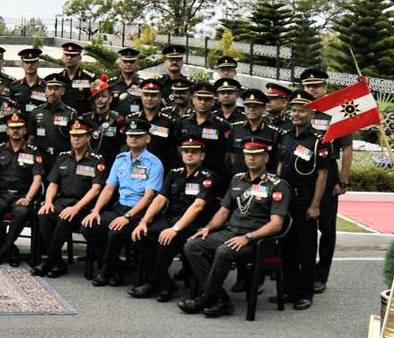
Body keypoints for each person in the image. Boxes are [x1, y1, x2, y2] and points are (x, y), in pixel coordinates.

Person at [180, 140, 291, 318]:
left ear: (266, 157)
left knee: (224, 252)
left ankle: (205, 298)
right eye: (248, 155)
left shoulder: (277, 185)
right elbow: (224, 211)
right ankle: (221, 299)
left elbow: (276, 224)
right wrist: (208, 228)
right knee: (192, 246)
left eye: (256, 155)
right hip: (231, 232)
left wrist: (248, 237)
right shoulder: (237, 179)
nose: (251, 158)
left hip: (257, 240)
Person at [127, 137, 219, 301]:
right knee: (140, 234)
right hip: (170, 218)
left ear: (202, 156)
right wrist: (144, 221)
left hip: (192, 224)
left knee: (166, 239)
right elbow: (160, 199)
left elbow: (197, 207)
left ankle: (155, 284)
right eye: (186, 151)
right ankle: (165, 283)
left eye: (194, 152)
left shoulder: (207, 178)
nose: (189, 155)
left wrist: (175, 228)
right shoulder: (174, 173)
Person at [84, 117, 164, 286]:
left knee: (115, 233)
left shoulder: (154, 163)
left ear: (147, 138)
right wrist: (96, 210)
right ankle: (118, 267)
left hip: (140, 211)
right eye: (130, 135)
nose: (133, 139)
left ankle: (107, 270)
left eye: (138, 135)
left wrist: (127, 216)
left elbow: (149, 197)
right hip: (119, 207)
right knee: (89, 227)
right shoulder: (120, 159)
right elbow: (109, 188)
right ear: (126, 138)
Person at [275, 90, 331, 310]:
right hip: (285, 199)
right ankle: (289, 290)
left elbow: (322, 175)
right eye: (294, 110)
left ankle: (304, 293)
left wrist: (315, 205)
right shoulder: (285, 135)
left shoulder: (319, 141)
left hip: (305, 199)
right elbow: (280, 165)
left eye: (301, 110)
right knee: (285, 247)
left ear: (311, 112)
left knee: (305, 249)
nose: (296, 114)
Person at [299, 67, 352, 294]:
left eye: (317, 86)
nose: (312, 89)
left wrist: (343, 181)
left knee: (327, 228)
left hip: (328, 172)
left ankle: (321, 275)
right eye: (308, 86)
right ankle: (303, 271)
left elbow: (348, 149)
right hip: (303, 172)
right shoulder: (297, 110)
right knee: (303, 225)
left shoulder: (336, 114)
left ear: (325, 88)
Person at [32, 119, 105, 278]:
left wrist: (77, 208)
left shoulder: (96, 160)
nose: (76, 139)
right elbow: (53, 183)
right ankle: (58, 262)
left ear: (88, 137)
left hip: (83, 207)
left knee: (65, 218)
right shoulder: (63, 157)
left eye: (80, 135)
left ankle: (49, 262)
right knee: (43, 215)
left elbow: (96, 189)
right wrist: (48, 202)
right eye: (73, 135)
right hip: (62, 201)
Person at [0, 111, 46, 267]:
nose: (15, 131)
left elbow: (37, 179)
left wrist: (28, 198)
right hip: (2, 195)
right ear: (7, 130)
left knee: (21, 212)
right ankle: (10, 249)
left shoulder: (32, 151)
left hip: (22, 195)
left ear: (24, 130)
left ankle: (2, 251)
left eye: (19, 127)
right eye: (12, 128)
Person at [175, 82, 234, 187]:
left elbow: (227, 155)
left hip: (213, 174)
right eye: (199, 99)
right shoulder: (182, 122)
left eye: (207, 99)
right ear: (193, 100)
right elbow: (178, 147)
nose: (203, 102)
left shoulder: (222, 125)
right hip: (187, 172)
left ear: (212, 102)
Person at [27, 76, 77, 171]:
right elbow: (31, 138)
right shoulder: (35, 112)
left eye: (56, 89)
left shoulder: (70, 114)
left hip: (62, 158)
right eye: (50, 88)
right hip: (40, 157)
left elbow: (75, 139)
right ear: (45, 91)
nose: (52, 92)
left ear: (62, 91)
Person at [129, 79, 179, 170]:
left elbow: (173, 152)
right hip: (134, 171)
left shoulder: (169, 122)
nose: (149, 99)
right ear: (141, 96)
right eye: (146, 95)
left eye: (154, 95)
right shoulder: (131, 120)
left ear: (160, 98)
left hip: (160, 171)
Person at [56, 42, 95, 115]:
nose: (69, 58)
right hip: (61, 120)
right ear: (62, 57)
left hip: (81, 122)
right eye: (66, 55)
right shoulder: (57, 79)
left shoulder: (89, 79)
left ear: (80, 58)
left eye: (73, 55)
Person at [108, 47, 144, 117]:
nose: (128, 64)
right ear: (119, 64)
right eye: (125, 61)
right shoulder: (111, 84)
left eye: (132, 62)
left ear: (136, 64)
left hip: (136, 123)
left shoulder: (143, 85)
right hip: (115, 123)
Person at [10, 47, 47, 112]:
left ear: (38, 64)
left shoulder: (46, 86)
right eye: (27, 62)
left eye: (33, 62)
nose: (30, 65)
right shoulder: (15, 86)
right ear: (22, 65)